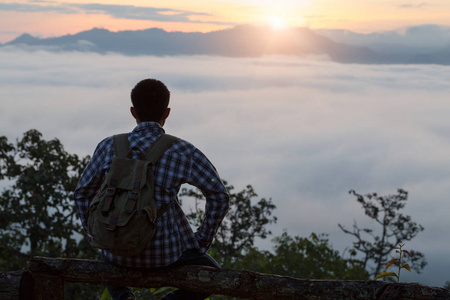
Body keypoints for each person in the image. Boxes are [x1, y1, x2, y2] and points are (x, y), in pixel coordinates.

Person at [74, 78, 230, 300]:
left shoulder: (108, 146)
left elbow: (82, 194)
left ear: (132, 111)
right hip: (166, 256)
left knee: (106, 255)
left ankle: (124, 297)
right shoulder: (182, 151)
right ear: (167, 113)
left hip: (118, 252)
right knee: (214, 276)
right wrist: (200, 242)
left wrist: (94, 235)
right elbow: (219, 196)